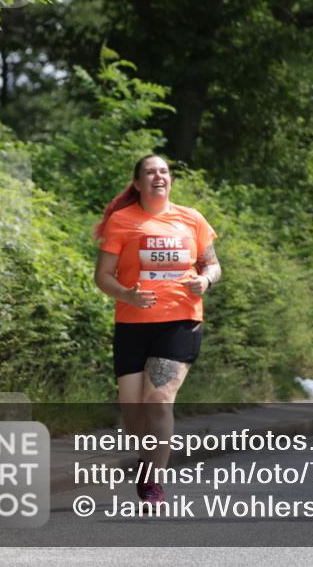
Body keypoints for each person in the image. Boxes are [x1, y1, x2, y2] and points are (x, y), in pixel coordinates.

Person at [93, 155, 220, 508]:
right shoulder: (122, 221)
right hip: (132, 324)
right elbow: (102, 276)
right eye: (150, 172)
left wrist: (205, 280)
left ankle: (153, 480)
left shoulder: (191, 219)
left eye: (163, 171)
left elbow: (212, 264)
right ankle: (146, 458)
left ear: (171, 180)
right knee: (133, 410)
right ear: (137, 183)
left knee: (158, 399)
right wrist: (127, 294)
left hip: (180, 321)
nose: (158, 176)